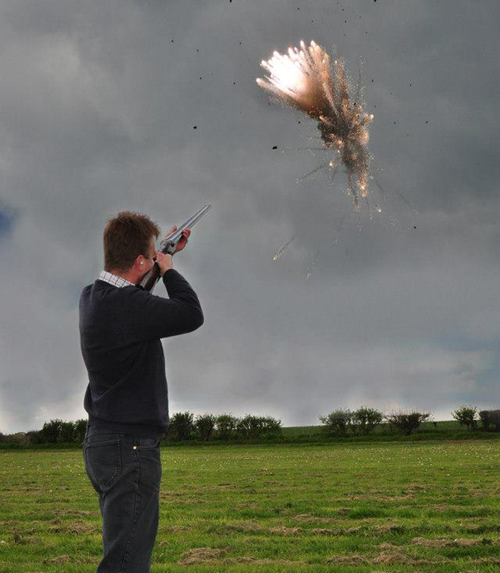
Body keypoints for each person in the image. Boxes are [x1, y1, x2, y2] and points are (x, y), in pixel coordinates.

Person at [79, 211, 204, 573]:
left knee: (122, 554)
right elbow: (190, 313)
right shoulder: (127, 306)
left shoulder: (93, 297)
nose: (155, 260)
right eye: (150, 256)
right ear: (139, 261)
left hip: (106, 443)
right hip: (129, 450)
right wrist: (168, 269)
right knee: (126, 564)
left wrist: (165, 254)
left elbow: (133, 299)